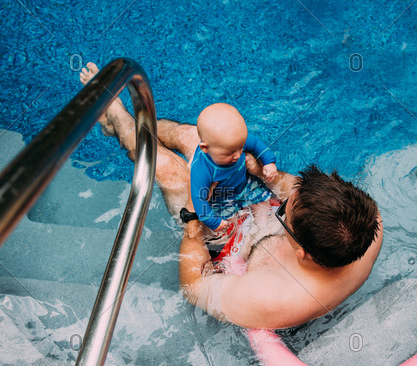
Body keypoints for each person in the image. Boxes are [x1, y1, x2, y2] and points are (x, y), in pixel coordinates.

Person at [80, 62, 383, 330]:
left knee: (169, 171)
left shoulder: (270, 297)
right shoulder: (366, 220)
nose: (286, 198)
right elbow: (290, 188)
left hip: (223, 243)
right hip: (255, 222)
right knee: (196, 139)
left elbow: (193, 288)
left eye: (286, 209)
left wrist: (193, 219)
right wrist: (261, 170)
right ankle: (133, 127)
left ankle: (117, 120)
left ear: (301, 253)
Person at [189, 103, 277, 232]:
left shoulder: (234, 142)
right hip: (221, 198)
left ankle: (263, 227)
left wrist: (269, 162)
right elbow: (199, 199)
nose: (238, 155)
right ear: (205, 148)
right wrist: (213, 222)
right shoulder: (201, 169)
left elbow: (256, 143)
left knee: (264, 205)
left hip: (245, 185)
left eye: (241, 147)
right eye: (230, 153)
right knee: (226, 225)